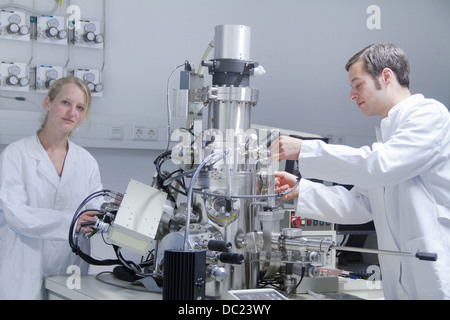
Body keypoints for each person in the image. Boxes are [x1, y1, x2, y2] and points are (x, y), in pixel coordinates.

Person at [272, 43, 450, 299]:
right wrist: (301, 189)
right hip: (403, 276)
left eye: (358, 84)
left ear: (386, 76)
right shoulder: (390, 135)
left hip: (433, 269)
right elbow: (359, 203)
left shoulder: (429, 115)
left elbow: (379, 165)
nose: (352, 95)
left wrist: (305, 150)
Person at [0, 77, 103, 299]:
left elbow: (95, 212)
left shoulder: (87, 162)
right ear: (48, 103)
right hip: (24, 267)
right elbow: (18, 216)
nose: (72, 112)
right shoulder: (15, 155)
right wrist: (73, 222)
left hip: (70, 269)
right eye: (65, 102)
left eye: (80, 107)